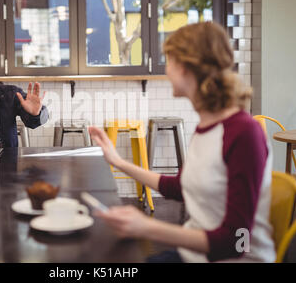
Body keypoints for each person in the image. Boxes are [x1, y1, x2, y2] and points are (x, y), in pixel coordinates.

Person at [89, 22, 275, 263]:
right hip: (193, 256)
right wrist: (117, 161)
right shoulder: (206, 127)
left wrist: (146, 227)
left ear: (189, 67)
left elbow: (236, 242)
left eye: (170, 61)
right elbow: (179, 187)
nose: (166, 71)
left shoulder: (244, 133)